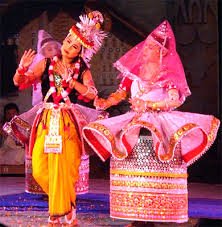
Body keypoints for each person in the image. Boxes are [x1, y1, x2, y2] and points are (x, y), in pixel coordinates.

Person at [82, 20, 220, 225]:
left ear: (161, 52)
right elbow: (120, 94)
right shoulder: (133, 72)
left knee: (154, 171)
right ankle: (134, 215)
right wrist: (105, 102)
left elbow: (174, 100)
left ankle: (153, 216)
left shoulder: (168, 75)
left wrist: (150, 105)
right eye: (145, 46)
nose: (144, 50)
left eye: (150, 47)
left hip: (159, 126)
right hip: (134, 124)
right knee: (132, 168)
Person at [13, 10, 106, 226]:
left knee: (65, 168)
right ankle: (68, 207)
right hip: (46, 120)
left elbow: (92, 94)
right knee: (39, 168)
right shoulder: (46, 63)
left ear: (81, 51)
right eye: (68, 40)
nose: (68, 46)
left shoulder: (82, 68)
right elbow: (21, 81)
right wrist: (21, 68)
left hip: (67, 123)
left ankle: (57, 217)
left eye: (74, 45)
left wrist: (71, 82)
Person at [31, 29, 61, 106]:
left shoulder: (63, 63)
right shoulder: (41, 67)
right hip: (47, 106)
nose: (54, 51)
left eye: (56, 48)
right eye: (50, 49)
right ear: (43, 53)